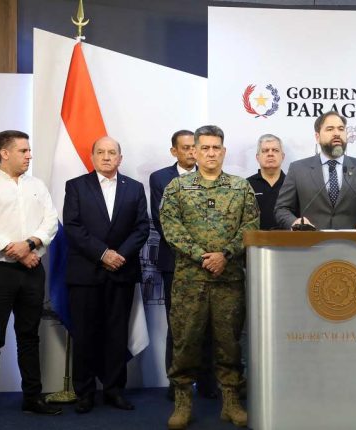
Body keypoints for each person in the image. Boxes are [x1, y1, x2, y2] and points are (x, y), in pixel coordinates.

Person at [160, 125, 259, 429]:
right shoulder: (177, 187)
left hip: (228, 279)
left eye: (216, 148)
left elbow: (251, 226)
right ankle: (182, 402)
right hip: (190, 280)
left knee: (229, 343)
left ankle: (230, 402)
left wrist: (225, 254)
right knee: (186, 341)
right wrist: (202, 256)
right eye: (204, 148)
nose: (211, 153)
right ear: (195, 151)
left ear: (223, 151)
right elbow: (170, 227)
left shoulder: (241, 188)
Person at [0, 130, 62, 426]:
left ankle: (32, 398)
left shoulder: (37, 185)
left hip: (32, 271)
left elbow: (50, 221)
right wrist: (18, 251)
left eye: (29, 150)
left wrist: (31, 244)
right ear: (4, 153)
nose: (29, 155)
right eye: (23, 150)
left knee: (29, 336)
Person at [63, 136, 150, 414]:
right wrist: (103, 254)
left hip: (121, 271)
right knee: (85, 335)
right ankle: (85, 392)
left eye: (112, 152)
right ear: (92, 156)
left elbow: (141, 228)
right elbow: (73, 226)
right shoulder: (76, 186)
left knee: (116, 334)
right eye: (100, 152)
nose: (106, 157)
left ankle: (114, 390)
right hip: (86, 272)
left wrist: (119, 255)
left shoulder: (135, 188)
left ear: (120, 159)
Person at [150, 130, 218, 400]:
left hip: (210, 263)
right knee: (178, 324)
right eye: (186, 148)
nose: (192, 152)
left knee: (210, 324)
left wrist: (208, 253)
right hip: (175, 263)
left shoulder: (213, 177)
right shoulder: (161, 179)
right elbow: (163, 221)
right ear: (174, 151)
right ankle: (176, 383)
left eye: (195, 147)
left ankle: (207, 382)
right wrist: (196, 251)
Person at [274, 111, 356, 230]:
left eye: (341, 129)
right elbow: (282, 208)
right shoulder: (298, 169)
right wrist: (294, 222)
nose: (337, 133)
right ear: (317, 137)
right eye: (330, 129)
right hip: (309, 244)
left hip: (352, 245)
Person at [247, 134, 286, 230]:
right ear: (257, 157)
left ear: (283, 156)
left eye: (275, 150)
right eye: (265, 151)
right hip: (255, 242)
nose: (270, 154)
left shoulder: (292, 184)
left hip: (287, 242)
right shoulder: (246, 184)